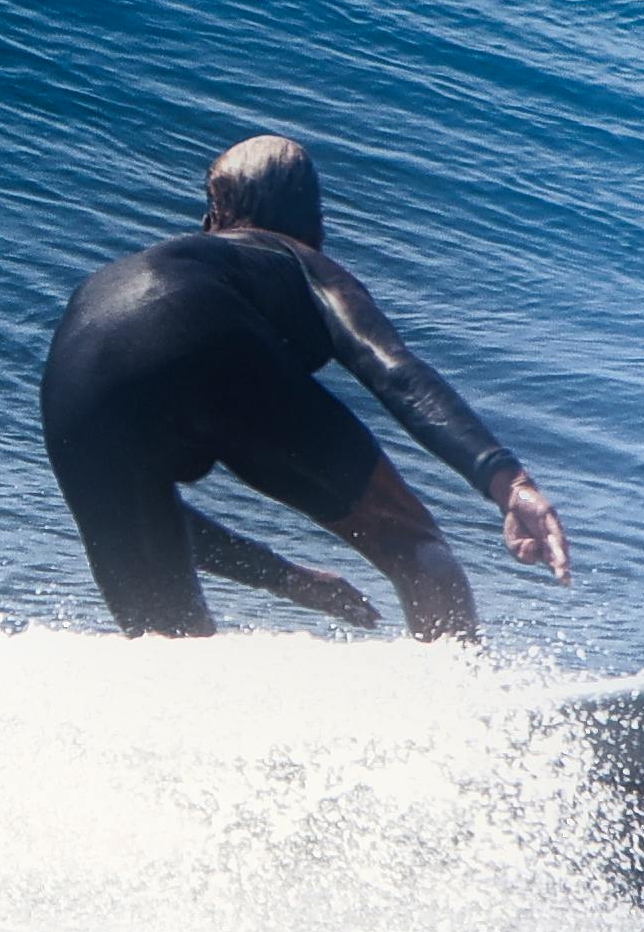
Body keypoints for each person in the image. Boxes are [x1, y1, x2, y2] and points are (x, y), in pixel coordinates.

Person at [40, 134, 569, 639]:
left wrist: (284, 578)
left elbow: (146, 519)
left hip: (73, 378)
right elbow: (392, 369)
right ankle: (464, 709)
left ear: (216, 216)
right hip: (200, 324)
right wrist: (507, 482)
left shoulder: (162, 268)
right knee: (419, 550)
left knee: (168, 645)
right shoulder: (295, 257)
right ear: (314, 223)